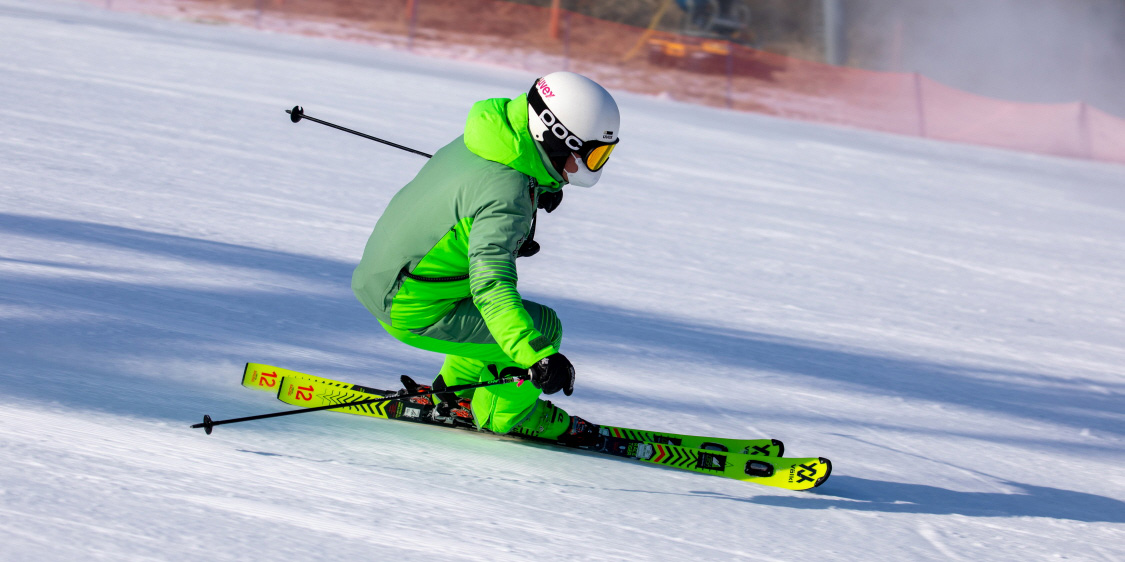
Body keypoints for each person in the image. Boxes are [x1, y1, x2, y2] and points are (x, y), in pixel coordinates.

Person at [351, 71, 620, 445]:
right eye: (592, 154)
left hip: (387, 278)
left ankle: (456, 391)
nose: (591, 166)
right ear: (556, 138)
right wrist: (536, 356)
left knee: (494, 323)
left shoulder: (491, 138)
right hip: (408, 306)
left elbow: (470, 200)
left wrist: (537, 187)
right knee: (541, 328)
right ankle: (503, 414)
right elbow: (490, 285)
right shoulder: (506, 195)